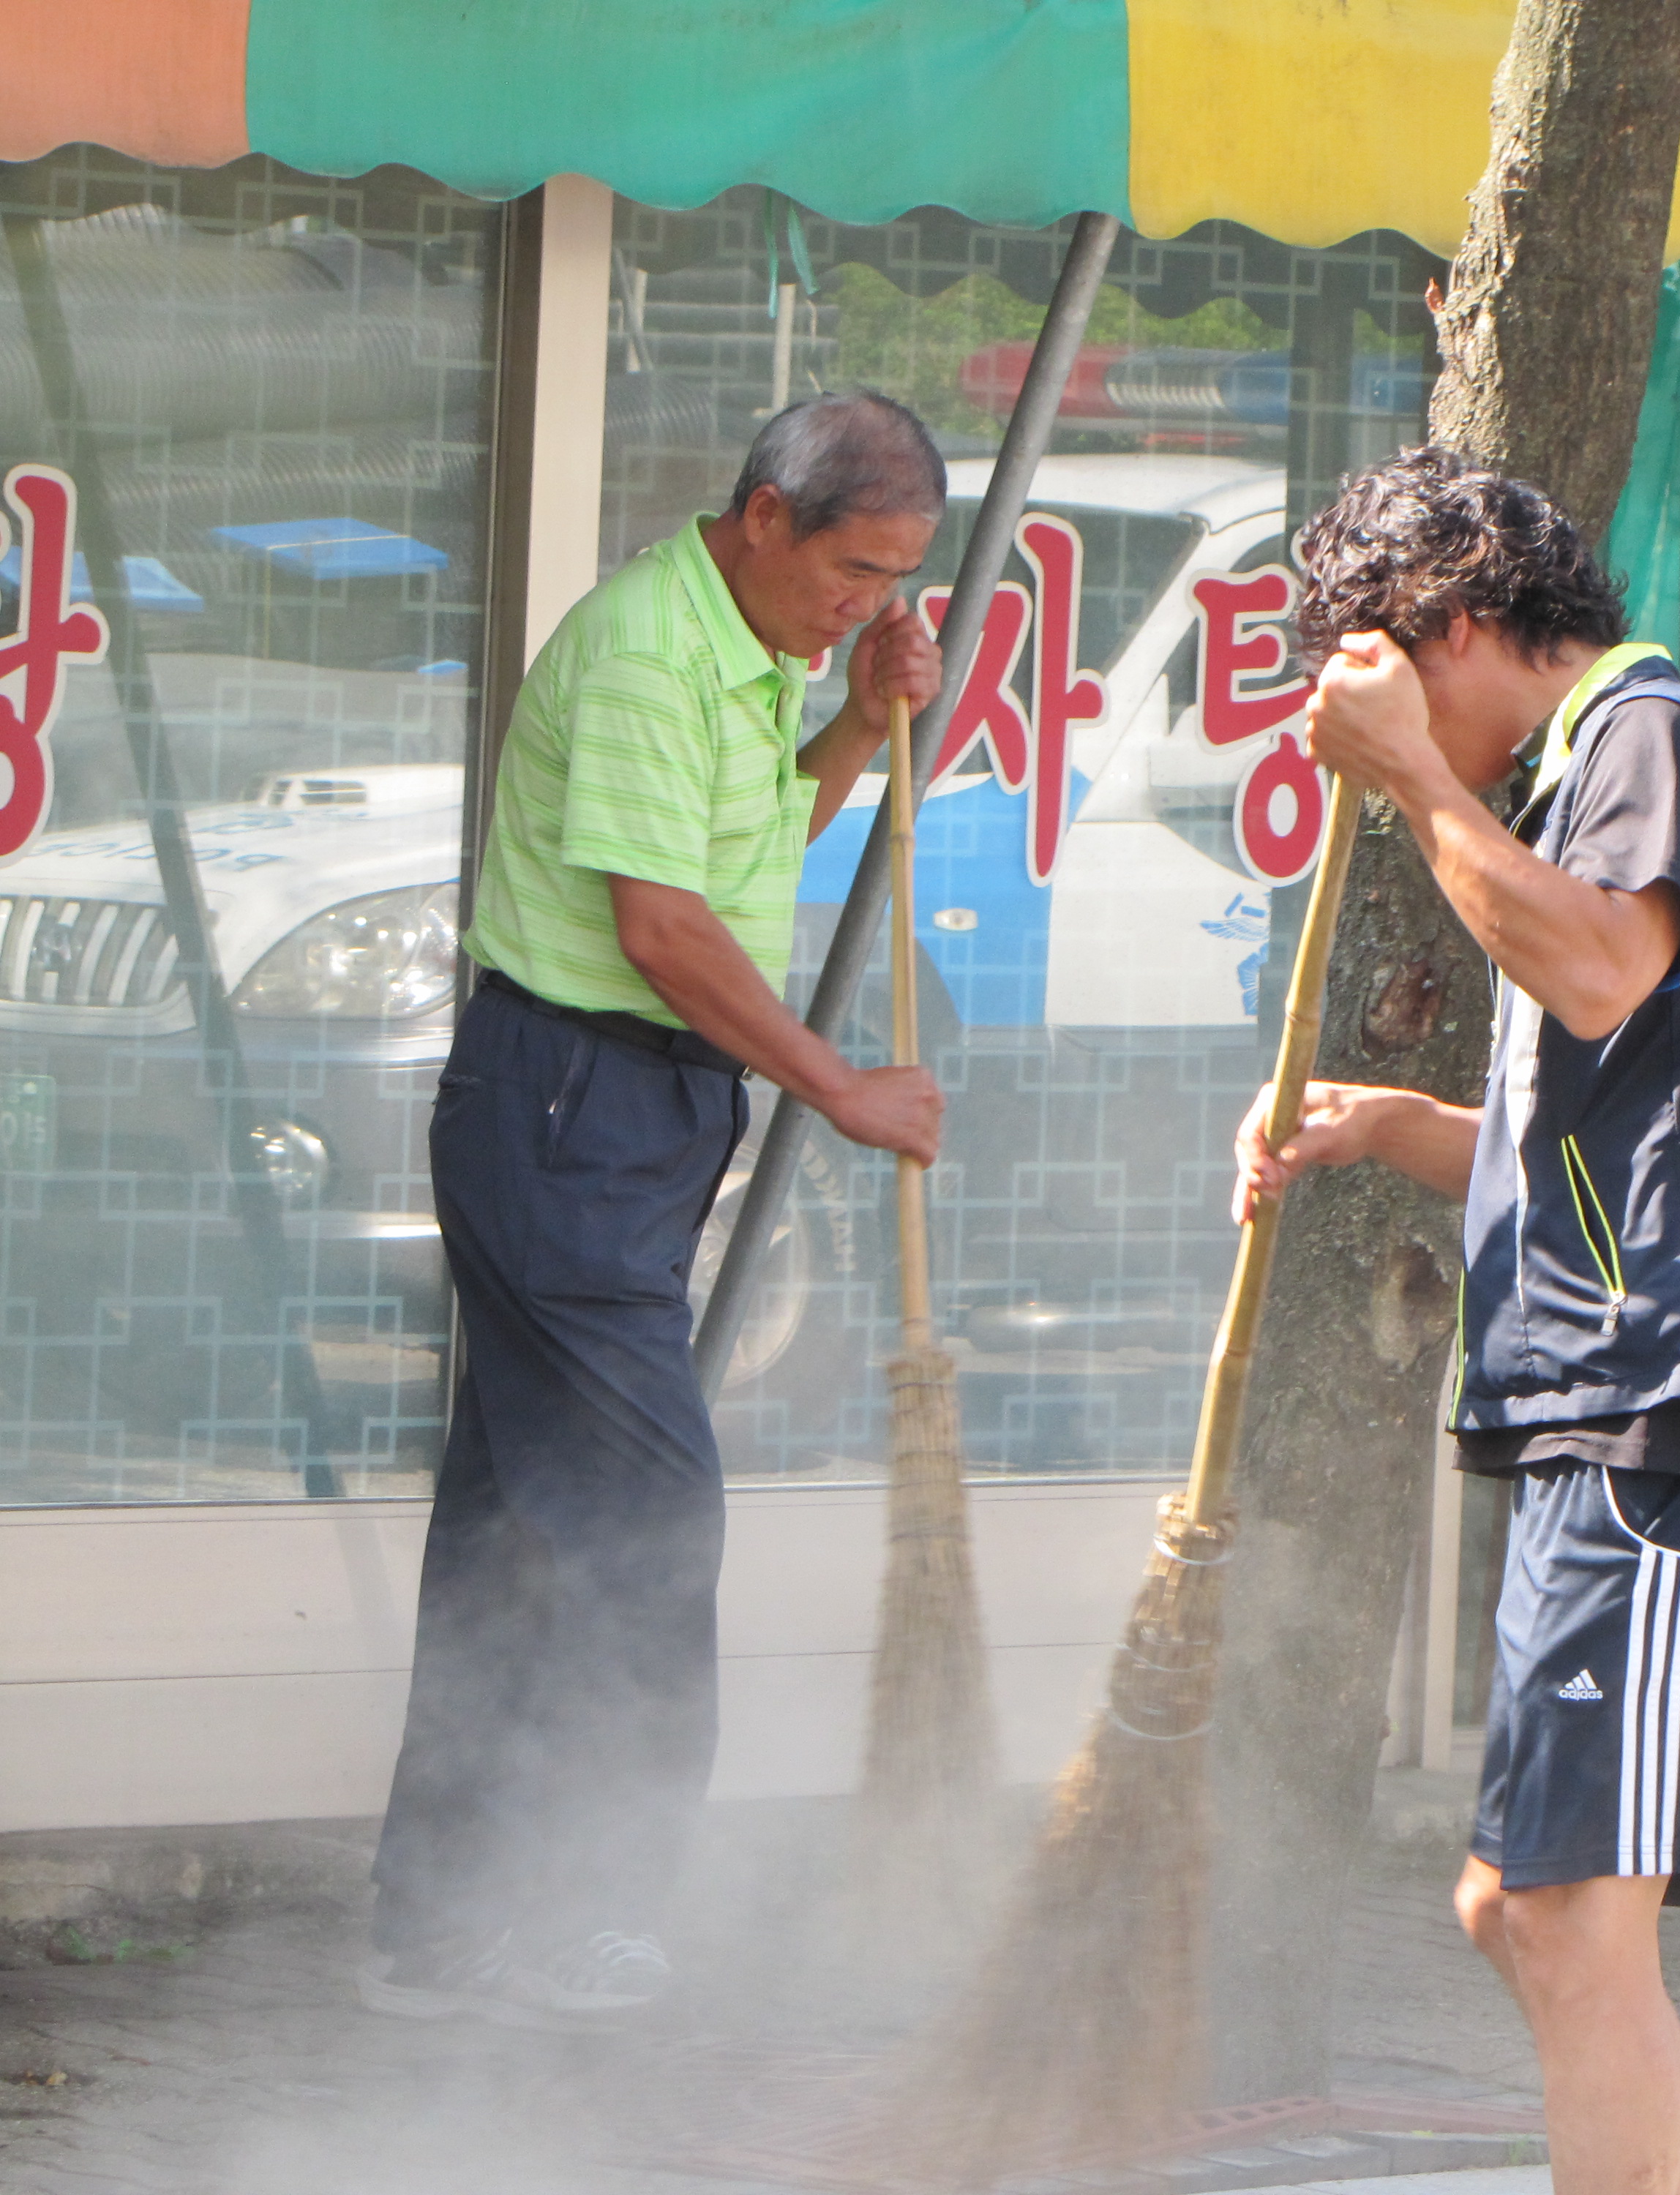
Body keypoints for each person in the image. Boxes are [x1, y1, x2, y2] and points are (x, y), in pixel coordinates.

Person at [1237, 448, 1680, 2195]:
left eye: (1378, 666)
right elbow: (1608, 1140)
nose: (1366, 716)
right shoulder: (1589, 781)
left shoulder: (1651, 736)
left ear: (1448, 625)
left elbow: (1597, 973)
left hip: (1676, 1404)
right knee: (1511, 1905)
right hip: (1611, 1409)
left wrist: (1403, 777)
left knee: (1568, 1919)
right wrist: (1384, 1125)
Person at [359, 393, 949, 2025]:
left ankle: (441, 1927)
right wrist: (838, 1088)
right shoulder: (646, 647)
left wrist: (855, 720)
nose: (866, 605)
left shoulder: (751, 648)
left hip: (628, 1112)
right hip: (567, 1099)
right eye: (852, 570)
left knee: (512, 1527)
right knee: (647, 1522)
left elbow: (750, 843)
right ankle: (588, 1909)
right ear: (763, 516)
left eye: (896, 580)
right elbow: (665, 930)